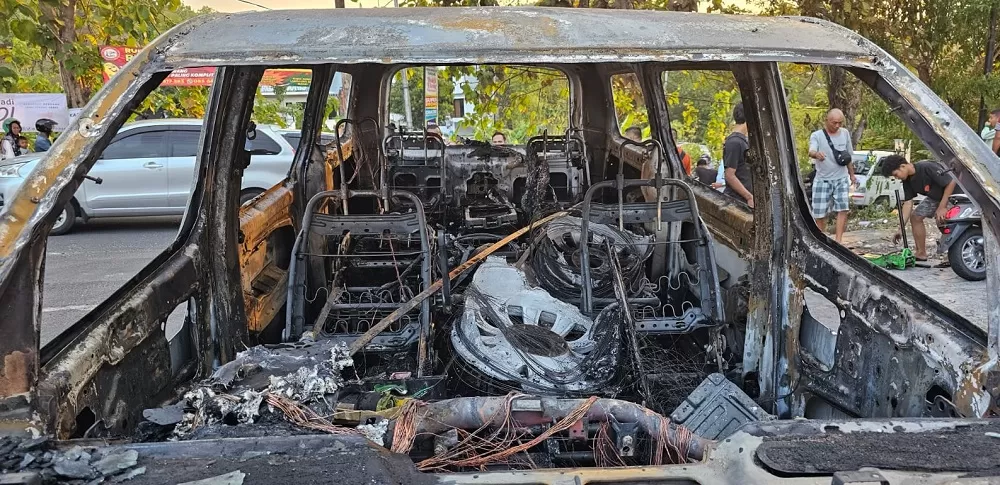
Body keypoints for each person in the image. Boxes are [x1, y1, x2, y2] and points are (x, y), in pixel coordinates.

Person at [880, 155, 961, 261]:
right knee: (915, 217)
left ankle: (955, 254)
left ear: (903, 166)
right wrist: (900, 229)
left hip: (953, 195)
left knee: (942, 219)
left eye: (896, 174)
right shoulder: (906, 181)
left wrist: (942, 207)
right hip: (935, 197)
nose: (896, 178)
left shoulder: (926, 167)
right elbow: (908, 203)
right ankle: (921, 253)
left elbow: (951, 181)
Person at [807, 108, 856, 244]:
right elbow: (811, 150)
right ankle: (821, 239)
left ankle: (839, 241)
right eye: (834, 123)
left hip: (841, 178)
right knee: (820, 212)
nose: (837, 126)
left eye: (840, 123)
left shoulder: (845, 133)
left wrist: (852, 175)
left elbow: (848, 156)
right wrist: (816, 154)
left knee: (842, 208)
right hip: (823, 179)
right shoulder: (817, 135)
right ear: (827, 121)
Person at [723, 103, 753, 207]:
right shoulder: (735, 142)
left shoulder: (743, 141)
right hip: (737, 201)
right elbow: (730, 175)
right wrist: (749, 197)